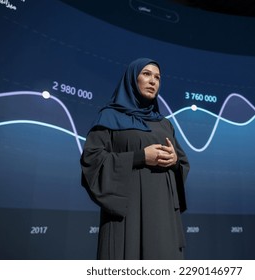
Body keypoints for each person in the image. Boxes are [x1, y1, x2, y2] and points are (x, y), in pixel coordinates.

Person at [80, 58, 190, 260]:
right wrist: (140, 157)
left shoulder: (164, 124)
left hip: (162, 217)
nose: (153, 81)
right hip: (127, 218)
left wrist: (175, 161)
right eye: (146, 74)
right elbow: (92, 160)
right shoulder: (109, 117)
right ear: (132, 79)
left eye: (157, 77)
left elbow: (183, 164)